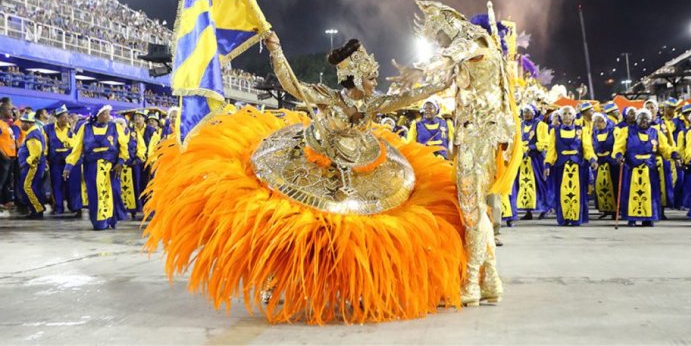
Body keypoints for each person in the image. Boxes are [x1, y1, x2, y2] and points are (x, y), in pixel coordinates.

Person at [144, 31, 465, 325]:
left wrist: (442, 81)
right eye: (370, 77)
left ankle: (359, 281)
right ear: (354, 78)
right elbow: (290, 84)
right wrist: (275, 50)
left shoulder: (371, 104)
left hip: (362, 166)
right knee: (293, 226)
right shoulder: (330, 98)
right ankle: (278, 277)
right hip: (313, 163)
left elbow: (406, 98)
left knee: (367, 231)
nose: (374, 82)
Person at [413, 0, 520, 305]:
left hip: (480, 136)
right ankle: (491, 281)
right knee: (474, 212)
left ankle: (472, 282)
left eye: (438, 36)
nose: (437, 42)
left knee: (472, 210)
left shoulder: (474, 42)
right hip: (471, 136)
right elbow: (444, 78)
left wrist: (426, 66)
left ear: (447, 26)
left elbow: (453, 53)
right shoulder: (472, 49)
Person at [63, 105, 129, 230]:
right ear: (97, 116)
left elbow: (123, 146)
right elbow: (76, 149)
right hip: (92, 168)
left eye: (108, 113)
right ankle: (100, 222)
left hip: (112, 167)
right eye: (104, 113)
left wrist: (121, 161)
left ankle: (111, 219)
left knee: (113, 192)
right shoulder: (85, 128)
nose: (107, 116)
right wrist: (68, 166)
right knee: (95, 194)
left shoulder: (115, 127)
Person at [613, 109, 678, 227]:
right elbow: (619, 146)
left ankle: (648, 218)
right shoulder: (626, 131)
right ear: (636, 120)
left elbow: (665, 148)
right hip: (632, 167)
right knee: (631, 192)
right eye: (641, 118)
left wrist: (673, 154)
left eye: (646, 118)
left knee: (651, 193)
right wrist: (619, 155)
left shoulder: (656, 132)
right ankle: (631, 218)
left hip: (650, 167)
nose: (643, 121)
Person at [544, 106, 598, 226]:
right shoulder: (554, 131)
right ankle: (563, 218)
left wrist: (592, 159)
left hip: (578, 166)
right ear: (560, 116)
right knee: (562, 192)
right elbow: (551, 150)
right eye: (564, 114)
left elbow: (587, 148)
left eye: (569, 114)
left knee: (578, 193)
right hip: (560, 167)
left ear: (574, 116)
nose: (567, 116)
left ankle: (576, 218)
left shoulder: (582, 130)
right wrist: (547, 164)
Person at [44, 105, 82, 216]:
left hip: (69, 162)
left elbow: (77, 145)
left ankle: (75, 207)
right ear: (57, 118)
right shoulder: (48, 129)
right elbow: (45, 145)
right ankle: (58, 207)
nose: (65, 119)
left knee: (73, 185)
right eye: (63, 117)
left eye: (67, 117)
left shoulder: (72, 129)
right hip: (55, 162)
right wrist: (45, 157)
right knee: (57, 185)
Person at [514, 104, 549, 221]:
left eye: (528, 112)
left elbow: (544, 142)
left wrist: (532, 147)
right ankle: (528, 210)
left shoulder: (540, 125)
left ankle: (544, 208)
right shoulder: (520, 125)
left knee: (539, 184)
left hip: (536, 159)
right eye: (524, 112)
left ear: (534, 113)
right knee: (524, 185)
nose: (526, 115)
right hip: (523, 160)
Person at [17, 111, 47, 218]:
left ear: (29, 123)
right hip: (33, 166)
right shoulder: (33, 133)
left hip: (32, 167)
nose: (21, 125)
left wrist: (25, 163)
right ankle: (37, 208)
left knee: (27, 187)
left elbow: (35, 154)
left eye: (23, 123)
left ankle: (37, 209)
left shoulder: (33, 135)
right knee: (32, 187)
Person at [592, 113, 618, 219]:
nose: (598, 123)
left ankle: (616, 209)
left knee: (613, 185)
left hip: (612, 162)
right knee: (601, 186)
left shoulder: (613, 131)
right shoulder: (594, 133)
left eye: (600, 121)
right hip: (599, 161)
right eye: (596, 121)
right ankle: (605, 208)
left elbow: (617, 145)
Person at [0, 97, 17, 211]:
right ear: (3, 110)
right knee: (1, 181)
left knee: (7, 182)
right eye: (9, 110)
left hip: (11, 157)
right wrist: (3, 155)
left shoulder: (6, 124)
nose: (12, 112)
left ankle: (5, 202)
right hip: (3, 157)